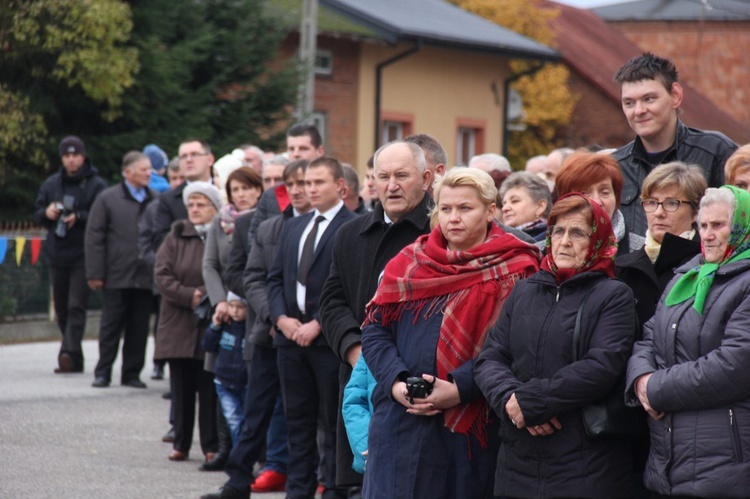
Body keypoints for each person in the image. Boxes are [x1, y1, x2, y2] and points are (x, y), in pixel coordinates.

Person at [361, 167, 539, 498]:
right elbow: (374, 330)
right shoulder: (410, 262)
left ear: (490, 211)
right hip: (399, 422)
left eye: (465, 208)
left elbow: (520, 346)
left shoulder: (520, 266)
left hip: (469, 429)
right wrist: (396, 382)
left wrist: (460, 388)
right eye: (446, 209)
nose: (453, 218)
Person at [475, 193, 637, 498]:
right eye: (558, 231)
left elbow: (602, 365)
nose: (564, 241)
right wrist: (512, 400)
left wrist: (533, 402)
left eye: (577, 233)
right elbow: (490, 358)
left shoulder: (613, 295)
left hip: (586, 465)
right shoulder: (525, 290)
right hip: (517, 464)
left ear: (598, 240)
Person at [319, 140, 434, 491]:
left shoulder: (439, 233)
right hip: (358, 375)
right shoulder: (351, 234)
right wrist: (354, 350)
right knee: (362, 478)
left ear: (426, 178)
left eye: (402, 175)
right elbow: (331, 301)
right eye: (382, 176)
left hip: (418, 381)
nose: (391, 185)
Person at [626, 186, 750, 497]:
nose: (707, 235)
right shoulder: (688, 276)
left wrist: (654, 389)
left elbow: (733, 366)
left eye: (718, 226)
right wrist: (640, 379)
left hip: (725, 467)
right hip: (668, 461)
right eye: (703, 225)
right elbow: (649, 337)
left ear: (742, 228)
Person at [201, 161, 311, 499]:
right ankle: (237, 481)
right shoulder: (258, 225)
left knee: (305, 412)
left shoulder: (331, 226)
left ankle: (308, 481)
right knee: (256, 409)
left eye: (297, 181)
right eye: (278, 181)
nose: (290, 188)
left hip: (311, 332)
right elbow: (244, 275)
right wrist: (275, 315)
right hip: (266, 330)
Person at [267, 157, 356, 499]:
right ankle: (298, 490)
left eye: (319, 182)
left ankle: (334, 489)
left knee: (332, 421)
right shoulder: (293, 225)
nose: (310, 189)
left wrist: (319, 323)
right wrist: (281, 318)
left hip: (328, 342)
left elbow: (349, 285)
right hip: (291, 341)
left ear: (340, 187)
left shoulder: (352, 226)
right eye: (306, 183)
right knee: (297, 421)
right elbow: (274, 278)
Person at [612, 52, 737, 238]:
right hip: (634, 267)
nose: (638, 111)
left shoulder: (716, 152)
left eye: (649, 99)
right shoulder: (614, 167)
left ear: (675, 96)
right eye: (629, 103)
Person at [154, 181, 222, 463]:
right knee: (180, 388)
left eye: (201, 204)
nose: (194, 209)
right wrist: (188, 295)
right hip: (179, 320)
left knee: (208, 388)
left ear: (215, 208)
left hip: (211, 319)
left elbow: (224, 269)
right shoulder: (176, 234)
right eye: (190, 204)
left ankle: (211, 445)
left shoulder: (221, 233)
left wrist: (209, 298)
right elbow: (162, 273)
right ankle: (180, 442)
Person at [202, 165, 263, 471]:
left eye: (246, 188)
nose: (240, 195)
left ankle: (257, 454)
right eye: (234, 190)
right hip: (228, 308)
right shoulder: (220, 222)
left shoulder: (267, 219)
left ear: (258, 189)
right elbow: (211, 265)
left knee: (254, 382)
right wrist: (220, 303)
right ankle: (226, 448)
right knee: (222, 377)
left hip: (256, 308)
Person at [33, 135, 107, 373]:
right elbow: (36, 214)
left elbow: (102, 216)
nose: (72, 160)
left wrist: (80, 216)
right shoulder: (52, 184)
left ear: (83, 157)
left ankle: (66, 352)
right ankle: (74, 357)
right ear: (62, 158)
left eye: (75, 155)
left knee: (77, 305)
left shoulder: (97, 185)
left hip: (83, 254)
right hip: (57, 253)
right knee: (62, 309)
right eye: (67, 155)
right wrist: (47, 213)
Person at [86, 151, 156, 388]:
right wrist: (95, 273)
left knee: (139, 328)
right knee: (110, 326)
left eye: (150, 169)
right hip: (116, 274)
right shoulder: (107, 199)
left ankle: (132, 373)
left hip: (145, 275)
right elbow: (94, 237)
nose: (149, 173)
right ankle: (103, 371)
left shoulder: (155, 200)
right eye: (144, 169)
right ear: (127, 172)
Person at [616, 161, 706, 332]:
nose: (658, 212)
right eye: (651, 202)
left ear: (696, 212)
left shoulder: (707, 264)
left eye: (671, 203)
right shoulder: (623, 267)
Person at [555, 150, 641, 254]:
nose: (596, 201)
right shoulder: (541, 255)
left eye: (604, 192)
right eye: (584, 193)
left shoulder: (643, 252)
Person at [201, 292, 248, 445]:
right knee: (234, 419)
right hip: (224, 382)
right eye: (231, 306)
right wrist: (214, 326)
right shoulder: (224, 326)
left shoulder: (249, 329)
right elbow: (208, 346)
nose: (235, 311)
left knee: (247, 420)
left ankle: (241, 454)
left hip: (245, 382)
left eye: (240, 307)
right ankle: (238, 453)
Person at [152, 138, 215, 249]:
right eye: (183, 156)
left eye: (195, 154)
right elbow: (160, 240)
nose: (189, 160)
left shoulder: (226, 191)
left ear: (210, 159)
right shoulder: (168, 199)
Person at [499, 171, 552, 245]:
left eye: (515, 201)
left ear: (540, 206)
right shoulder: (496, 238)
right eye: (504, 203)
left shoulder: (551, 239)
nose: (504, 209)